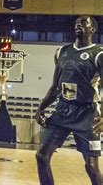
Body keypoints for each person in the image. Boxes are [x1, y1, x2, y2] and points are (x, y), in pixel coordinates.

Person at [35, 16, 103, 185]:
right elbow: (55, 86)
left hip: (88, 114)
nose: (78, 24)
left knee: (91, 168)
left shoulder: (99, 54)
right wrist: (41, 108)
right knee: (41, 156)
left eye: (84, 22)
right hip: (63, 110)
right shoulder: (62, 52)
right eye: (76, 23)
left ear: (93, 29)